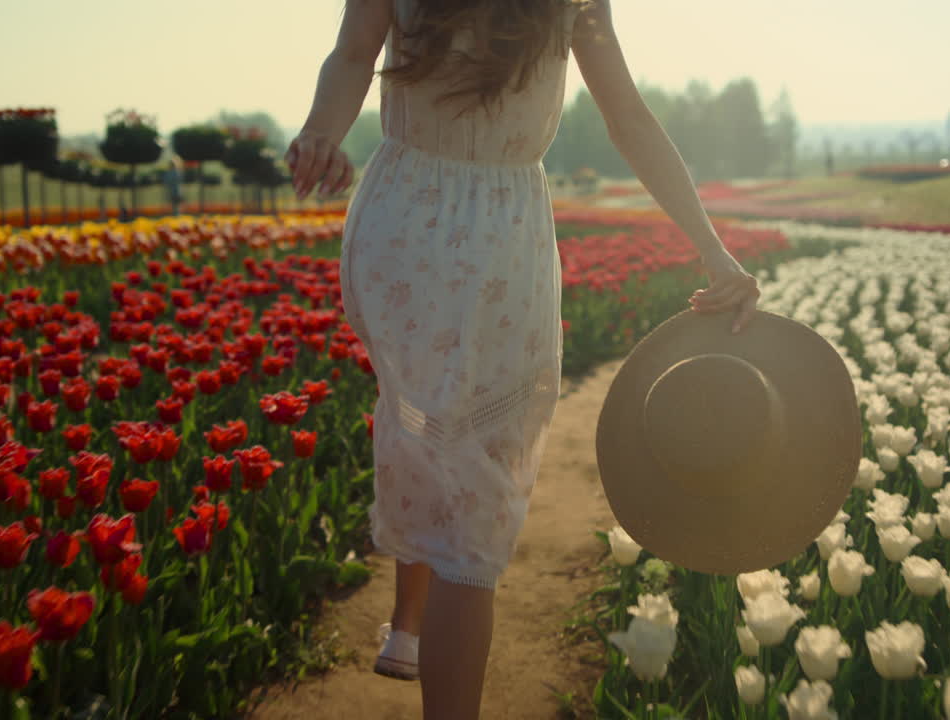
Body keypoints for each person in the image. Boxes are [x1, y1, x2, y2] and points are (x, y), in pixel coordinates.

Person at [285, 1, 760, 717]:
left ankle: (409, 628)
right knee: (474, 480)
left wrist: (323, 130)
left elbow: (353, 54)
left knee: (426, 420)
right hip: (498, 237)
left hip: (402, 224)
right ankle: (437, 647)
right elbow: (626, 116)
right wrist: (713, 249)